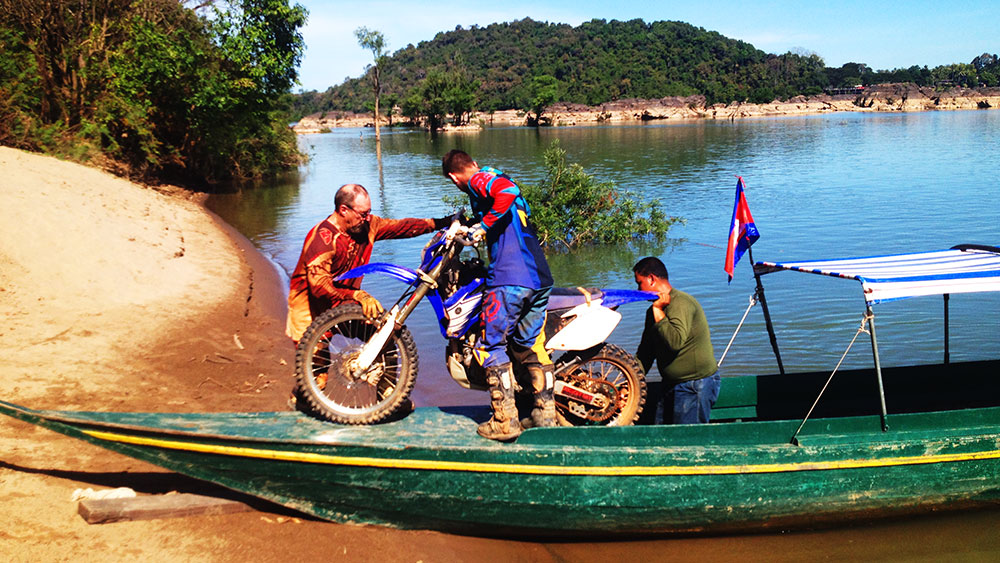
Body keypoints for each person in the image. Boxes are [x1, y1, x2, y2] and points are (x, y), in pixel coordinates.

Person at [442, 149, 556, 440]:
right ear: (473, 164)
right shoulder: (489, 177)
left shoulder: (480, 180)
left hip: (511, 279)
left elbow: (508, 190)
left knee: (490, 345)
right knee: (527, 345)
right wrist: (466, 222)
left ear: (455, 177)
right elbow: (505, 200)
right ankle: (544, 414)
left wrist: (482, 226)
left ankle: (504, 420)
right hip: (538, 278)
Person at [286, 183, 449, 342]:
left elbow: (401, 227)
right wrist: (357, 295)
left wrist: (441, 223)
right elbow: (319, 285)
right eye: (362, 214)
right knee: (314, 364)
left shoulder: (366, 225)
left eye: (369, 212)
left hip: (344, 302)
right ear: (344, 210)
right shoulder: (323, 239)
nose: (367, 218)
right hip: (310, 308)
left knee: (383, 340)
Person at [633, 256, 720, 424]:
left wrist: (658, 310)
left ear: (651, 279)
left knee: (687, 443)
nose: (638, 289)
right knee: (662, 436)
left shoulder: (681, 303)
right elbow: (646, 353)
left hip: (694, 385)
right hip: (670, 385)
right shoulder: (652, 313)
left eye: (639, 283)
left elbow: (674, 342)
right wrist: (630, 382)